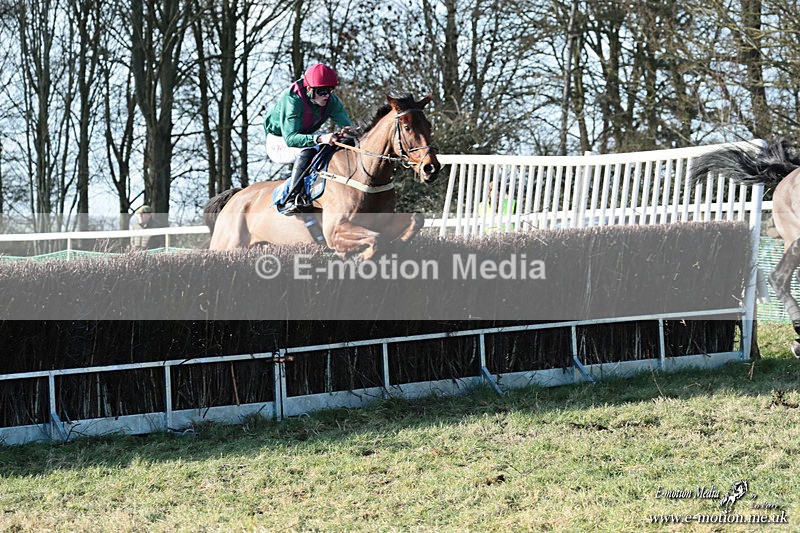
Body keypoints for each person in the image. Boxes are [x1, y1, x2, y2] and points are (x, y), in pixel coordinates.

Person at [263, 63, 354, 213]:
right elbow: (291, 139)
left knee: (332, 146)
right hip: (279, 140)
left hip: (301, 137)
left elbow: (348, 128)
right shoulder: (292, 99)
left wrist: (350, 134)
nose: (327, 95)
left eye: (330, 90)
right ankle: (291, 199)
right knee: (308, 149)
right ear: (309, 89)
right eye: (322, 91)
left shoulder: (331, 101)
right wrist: (320, 138)